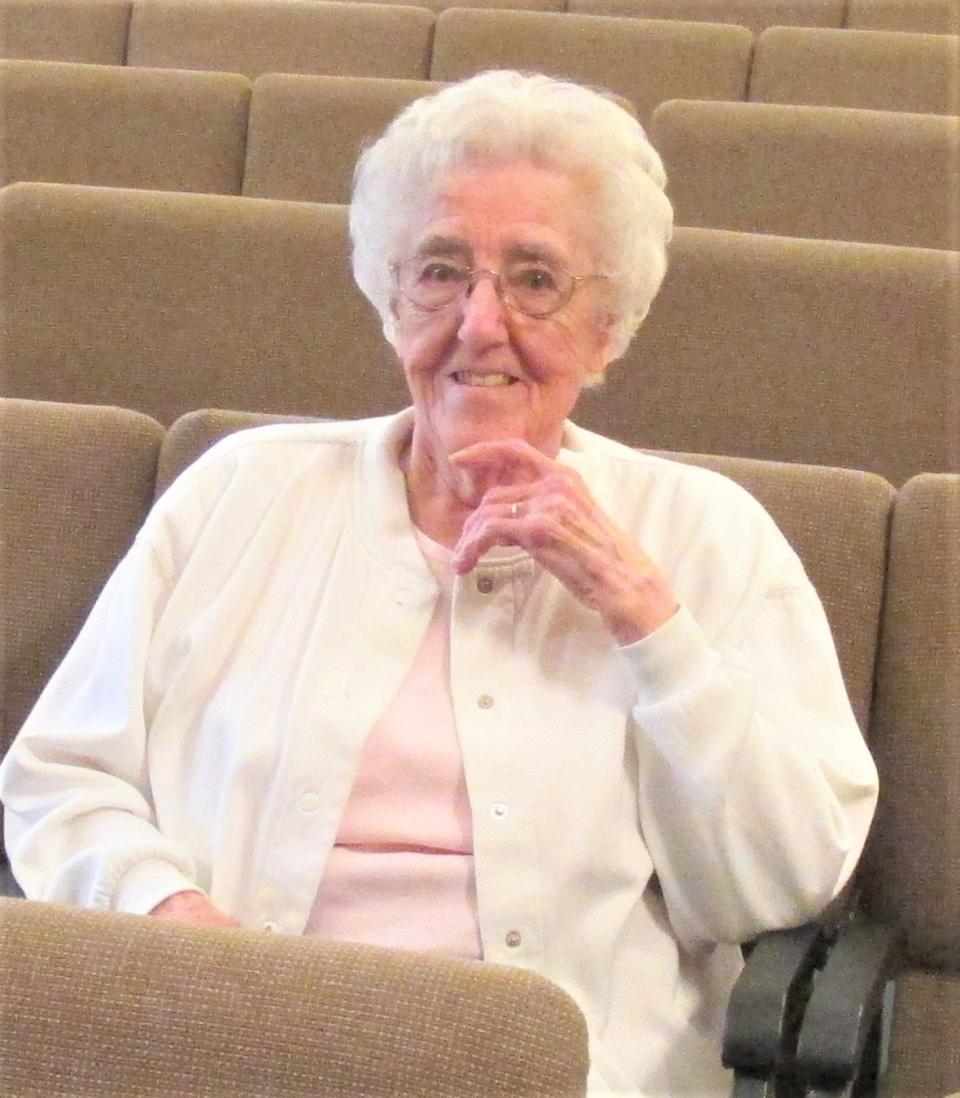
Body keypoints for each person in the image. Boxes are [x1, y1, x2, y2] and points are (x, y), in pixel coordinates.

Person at [0, 71, 878, 1095]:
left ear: (608, 328)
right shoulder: (242, 493)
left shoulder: (707, 537)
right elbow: (64, 777)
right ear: (387, 297)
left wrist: (648, 620)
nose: (478, 323)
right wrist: (169, 920)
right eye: (440, 271)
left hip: (562, 1071)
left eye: (536, 279)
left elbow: (780, 886)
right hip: (217, 1048)